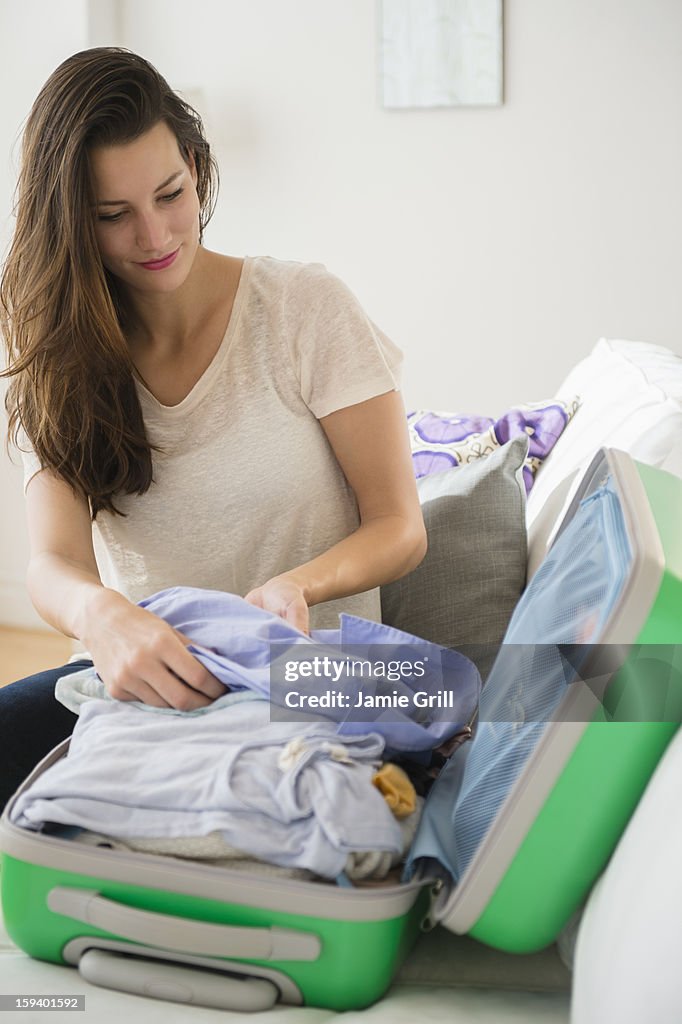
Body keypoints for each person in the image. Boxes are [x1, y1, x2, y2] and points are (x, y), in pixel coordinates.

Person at [0, 48, 426, 811]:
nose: (155, 234)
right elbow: (52, 565)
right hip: (153, 681)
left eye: (171, 193)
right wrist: (103, 618)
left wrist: (300, 584)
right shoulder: (61, 356)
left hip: (311, 675)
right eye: (113, 216)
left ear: (197, 166)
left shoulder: (302, 306)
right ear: (70, 223)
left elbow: (400, 525)